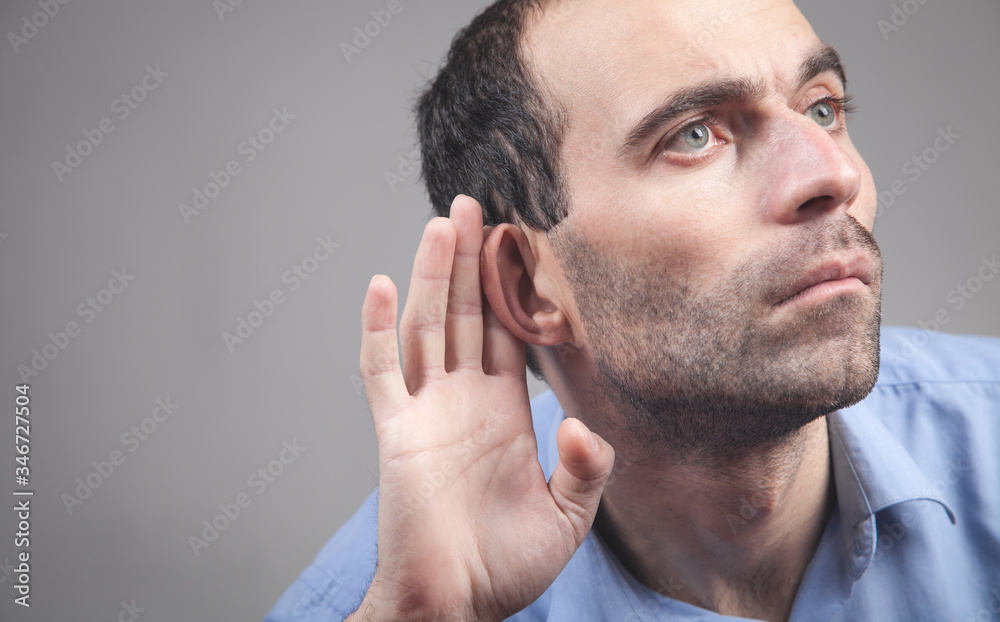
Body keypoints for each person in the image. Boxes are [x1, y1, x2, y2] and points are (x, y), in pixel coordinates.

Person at [266, 0, 1000, 620]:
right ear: (528, 285)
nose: (833, 174)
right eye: (695, 135)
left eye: (823, 107)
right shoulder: (387, 597)